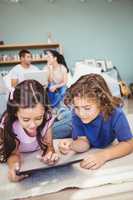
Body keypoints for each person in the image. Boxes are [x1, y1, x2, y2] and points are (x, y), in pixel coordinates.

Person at [59, 74, 133, 170]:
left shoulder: (116, 114)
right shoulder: (76, 114)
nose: (81, 113)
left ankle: (62, 113)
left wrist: (104, 155)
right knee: (53, 129)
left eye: (87, 108)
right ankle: (62, 113)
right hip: (69, 118)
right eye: (77, 107)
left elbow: (129, 144)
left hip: (72, 118)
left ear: (102, 103)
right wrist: (71, 146)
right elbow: (84, 142)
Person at [0, 80, 59, 182]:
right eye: (26, 119)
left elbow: (49, 146)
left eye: (38, 118)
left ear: (44, 111)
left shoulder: (48, 117)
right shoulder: (10, 124)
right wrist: (14, 167)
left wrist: (50, 155)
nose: (32, 125)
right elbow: (13, 153)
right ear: (15, 113)